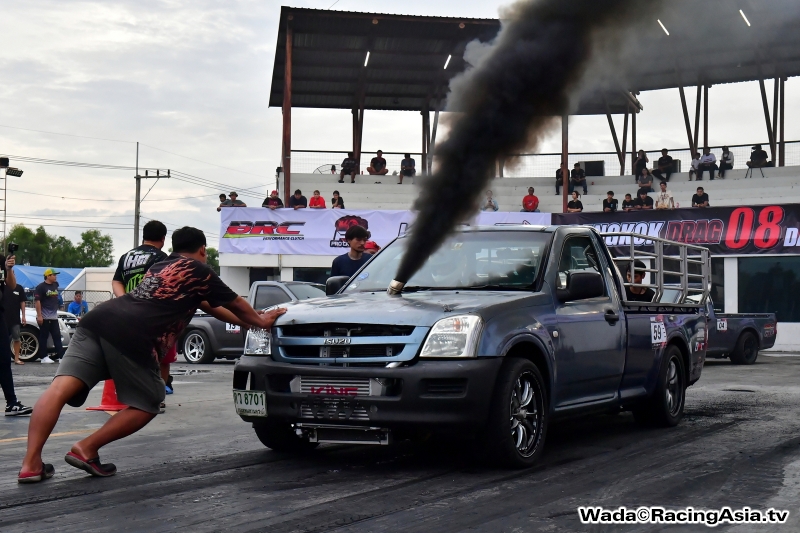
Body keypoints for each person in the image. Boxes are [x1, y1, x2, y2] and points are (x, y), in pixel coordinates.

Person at [18, 226, 286, 483]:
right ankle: (86, 448)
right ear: (203, 250)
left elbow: (213, 307)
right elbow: (235, 302)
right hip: (133, 332)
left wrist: (250, 321)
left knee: (59, 390)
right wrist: (261, 321)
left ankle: (31, 465)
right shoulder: (198, 270)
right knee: (149, 401)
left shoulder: (161, 267)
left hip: (99, 320)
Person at [112, 220, 173, 408]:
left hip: (128, 312)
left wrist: (125, 300)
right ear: (163, 238)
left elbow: (116, 282)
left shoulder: (126, 256)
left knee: (133, 355)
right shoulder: (162, 257)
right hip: (153, 313)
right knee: (161, 357)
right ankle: (158, 397)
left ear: (144, 236)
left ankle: (133, 395)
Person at [0, 254, 32, 414]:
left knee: (4, 360)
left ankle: (12, 403)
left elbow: (11, 286)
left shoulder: (1, 259)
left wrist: (8, 269)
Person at [35, 269, 63, 364]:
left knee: (57, 336)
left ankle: (61, 356)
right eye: (53, 275)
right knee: (44, 336)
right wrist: (39, 315)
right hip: (44, 316)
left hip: (54, 317)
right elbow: (37, 301)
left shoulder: (56, 285)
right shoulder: (41, 287)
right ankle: (43, 356)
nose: (55, 277)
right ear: (48, 276)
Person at [4, 281, 26, 365]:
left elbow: (22, 302)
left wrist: (24, 315)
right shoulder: (2, 287)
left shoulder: (19, 288)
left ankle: (16, 358)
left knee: (16, 338)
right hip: (3, 319)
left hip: (15, 319)